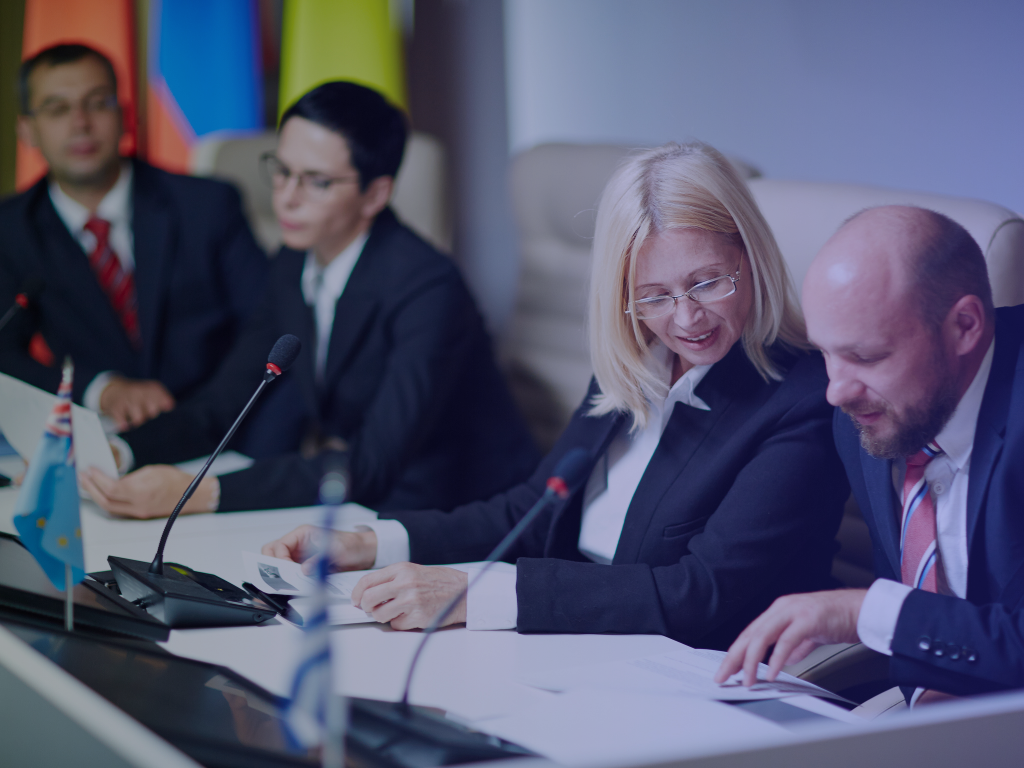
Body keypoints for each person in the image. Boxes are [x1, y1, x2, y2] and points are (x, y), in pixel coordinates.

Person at [261, 142, 849, 648]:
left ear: (751, 258)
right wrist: (368, 544)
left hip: (690, 672)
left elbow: (702, 592)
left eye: (707, 282)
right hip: (575, 643)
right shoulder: (640, 358)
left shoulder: (802, 400)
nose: (686, 317)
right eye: (653, 295)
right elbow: (531, 511)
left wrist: (476, 594)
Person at [80, 81, 539, 517]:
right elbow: (224, 402)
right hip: (364, 502)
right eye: (282, 171)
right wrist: (120, 451)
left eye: (316, 182)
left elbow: (372, 463)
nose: (285, 198)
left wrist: (199, 492)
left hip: (459, 515)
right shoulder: (292, 261)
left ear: (375, 194)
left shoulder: (429, 288)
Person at [715, 205, 1024, 703]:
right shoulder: (867, 414)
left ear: (964, 325)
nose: (835, 392)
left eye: (865, 356)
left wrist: (863, 613)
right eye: (826, 353)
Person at [0, 43, 268, 431]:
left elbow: (265, 325)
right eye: (58, 109)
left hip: (222, 425)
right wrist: (99, 389)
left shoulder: (206, 205)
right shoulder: (11, 229)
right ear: (27, 130)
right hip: (99, 433)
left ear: (125, 115)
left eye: (98, 103)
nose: (81, 123)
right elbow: (3, 353)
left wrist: (205, 420)